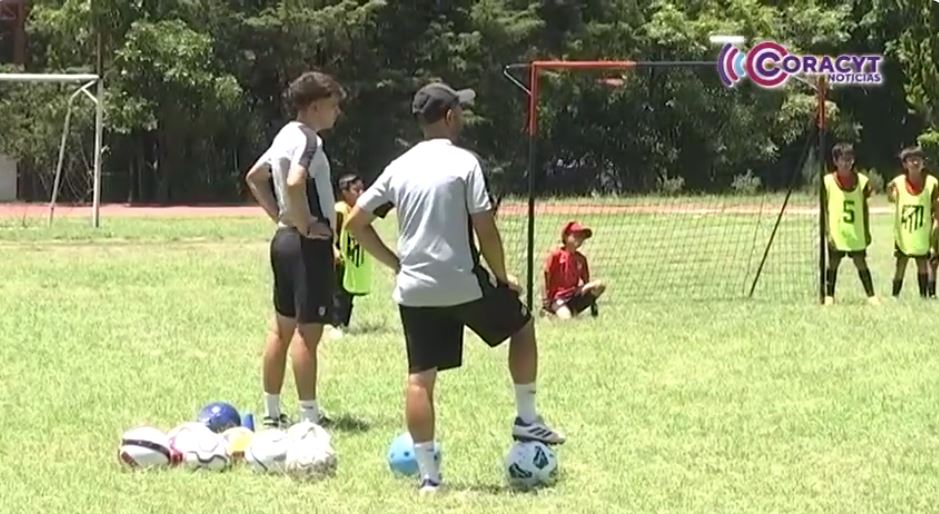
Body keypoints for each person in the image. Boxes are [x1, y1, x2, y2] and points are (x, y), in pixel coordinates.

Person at [344, 82, 565, 493]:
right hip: (464, 284)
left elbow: (355, 223)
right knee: (522, 327)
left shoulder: (398, 167)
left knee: (419, 379)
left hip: (414, 290)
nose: (462, 116)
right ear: (449, 117)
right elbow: (486, 229)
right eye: (460, 110)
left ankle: (429, 479)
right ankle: (527, 419)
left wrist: (396, 263)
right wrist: (503, 277)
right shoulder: (465, 163)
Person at [243, 71, 344, 428]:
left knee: (280, 329)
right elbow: (295, 181)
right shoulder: (309, 140)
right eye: (333, 106)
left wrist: (279, 215)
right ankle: (309, 418)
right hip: (305, 245)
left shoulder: (283, 135)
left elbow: (255, 177)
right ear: (314, 107)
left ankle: (272, 412)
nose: (337, 113)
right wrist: (305, 224)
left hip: (283, 242)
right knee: (307, 332)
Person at [821, 142, 878, 305]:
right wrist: (827, 231)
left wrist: (867, 230)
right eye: (842, 159)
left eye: (849, 159)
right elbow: (825, 209)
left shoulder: (862, 181)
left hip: (856, 231)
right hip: (837, 231)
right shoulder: (827, 182)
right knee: (833, 263)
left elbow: (865, 207)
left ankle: (871, 296)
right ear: (835, 161)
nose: (846, 163)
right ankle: (829, 296)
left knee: (861, 262)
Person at [886, 146, 938, 299]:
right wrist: (889, 192)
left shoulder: (932, 183)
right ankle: (895, 295)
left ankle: (924, 295)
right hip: (904, 232)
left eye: (918, 159)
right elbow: (891, 198)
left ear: (923, 163)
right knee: (901, 263)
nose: (915, 163)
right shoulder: (898, 182)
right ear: (904, 164)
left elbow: (936, 204)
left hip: (922, 231)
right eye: (911, 160)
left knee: (922, 263)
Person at [330, 173, 372, 337]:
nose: (361, 193)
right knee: (338, 293)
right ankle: (335, 325)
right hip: (338, 260)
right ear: (345, 192)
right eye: (356, 190)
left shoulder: (357, 211)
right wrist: (333, 250)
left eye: (363, 189)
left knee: (348, 292)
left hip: (350, 260)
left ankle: (344, 324)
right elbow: (330, 232)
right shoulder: (339, 210)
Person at [542, 221, 606, 318]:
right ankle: (552, 313)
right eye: (576, 235)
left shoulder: (581, 259)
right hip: (558, 298)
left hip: (573, 295)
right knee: (566, 319)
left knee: (600, 285)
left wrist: (592, 303)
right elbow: (547, 274)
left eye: (582, 237)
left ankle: (573, 309)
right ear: (566, 237)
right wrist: (546, 298)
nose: (580, 239)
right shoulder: (556, 255)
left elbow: (586, 281)